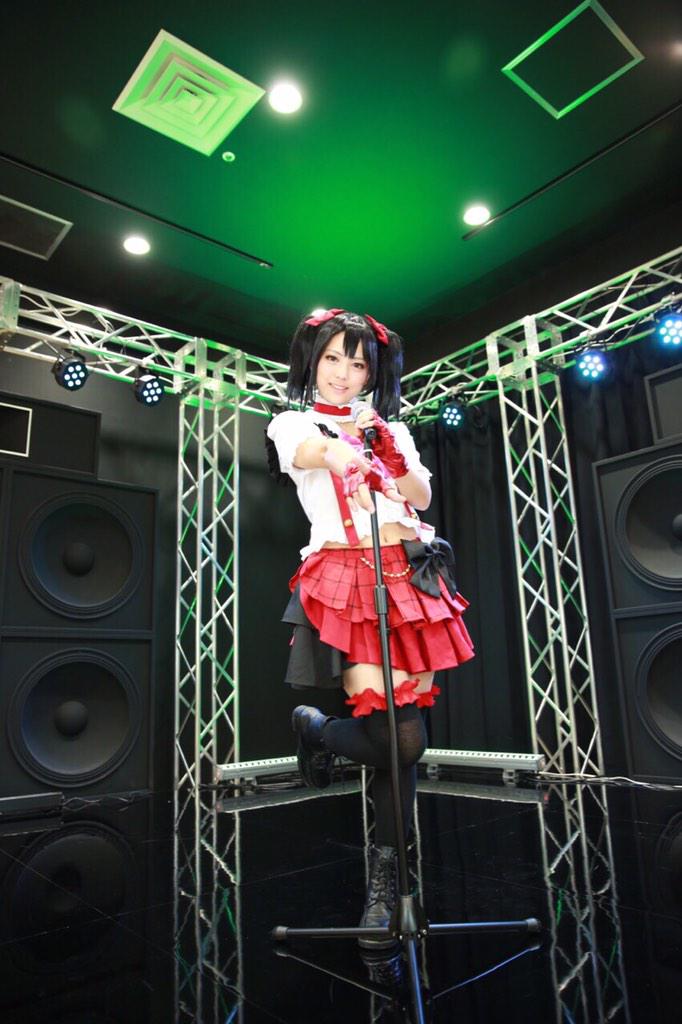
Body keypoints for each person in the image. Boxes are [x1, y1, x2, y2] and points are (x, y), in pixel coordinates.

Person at [267, 309, 474, 948]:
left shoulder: (393, 427)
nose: (344, 373)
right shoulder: (293, 421)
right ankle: (321, 732)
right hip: (349, 575)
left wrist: (385, 449)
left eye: (357, 364)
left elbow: (421, 496)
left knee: (405, 737)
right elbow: (315, 452)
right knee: (396, 737)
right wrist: (347, 453)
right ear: (313, 362)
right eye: (333, 359)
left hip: (411, 571)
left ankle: (390, 874)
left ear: (371, 374)